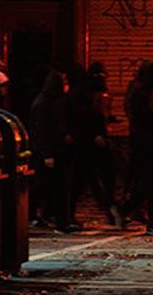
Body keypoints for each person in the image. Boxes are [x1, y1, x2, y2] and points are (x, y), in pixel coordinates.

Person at [118, 62, 153, 234]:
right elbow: (144, 117)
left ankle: (131, 212)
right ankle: (149, 220)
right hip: (147, 143)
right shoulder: (141, 93)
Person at [69, 62, 121, 225]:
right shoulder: (86, 93)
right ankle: (107, 207)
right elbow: (87, 116)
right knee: (89, 177)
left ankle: (108, 207)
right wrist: (96, 133)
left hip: (92, 140)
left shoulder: (87, 92)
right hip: (90, 141)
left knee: (97, 176)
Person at [30, 69, 76, 232]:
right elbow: (42, 131)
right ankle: (60, 221)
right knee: (56, 187)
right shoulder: (44, 104)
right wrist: (47, 154)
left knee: (56, 187)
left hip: (55, 150)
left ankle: (57, 218)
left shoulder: (51, 101)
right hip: (50, 152)